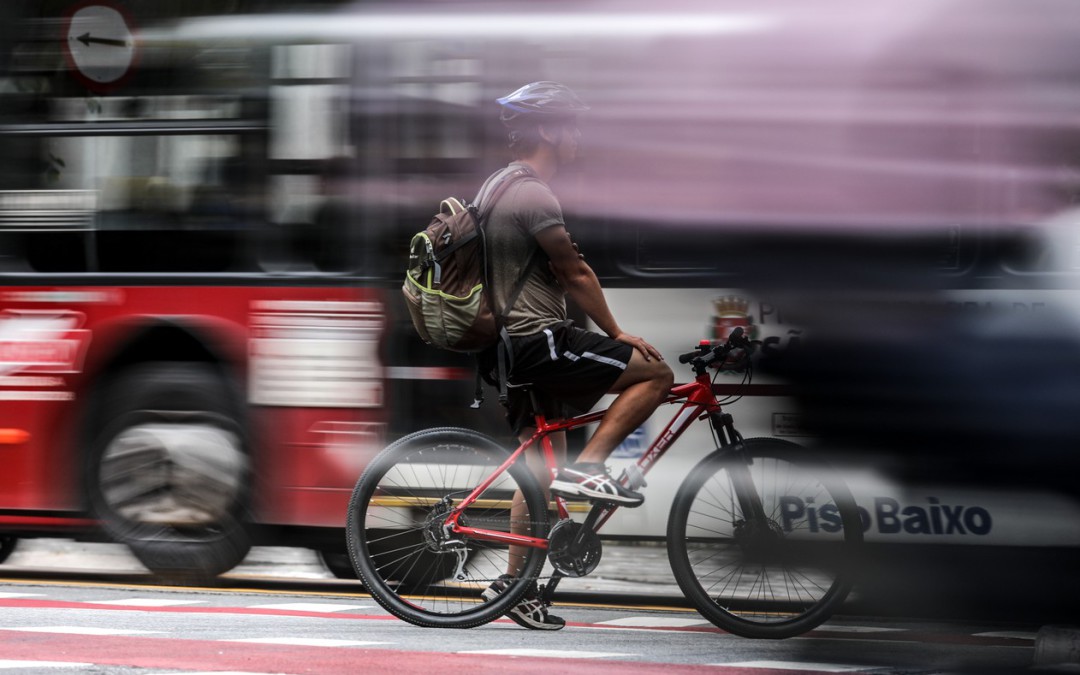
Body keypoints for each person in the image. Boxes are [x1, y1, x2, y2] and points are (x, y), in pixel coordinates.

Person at [479, 81, 674, 630]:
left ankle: (516, 588)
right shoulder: (534, 192)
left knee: (538, 473)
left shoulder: (497, 184)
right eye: (572, 125)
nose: (578, 136)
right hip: (539, 340)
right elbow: (575, 272)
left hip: (506, 351)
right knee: (655, 374)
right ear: (546, 129)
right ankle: (589, 469)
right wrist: (618, 332)